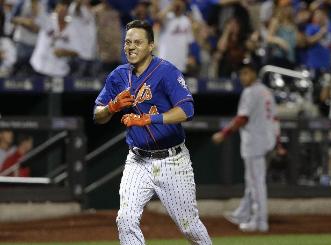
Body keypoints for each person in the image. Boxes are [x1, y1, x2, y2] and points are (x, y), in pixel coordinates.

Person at [93, 20, 212, 245]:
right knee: (126, 219)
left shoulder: (166, 71)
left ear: (151, 46)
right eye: (128, 42)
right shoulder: (118, 75)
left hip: (172, 161)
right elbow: (96, 115)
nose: (131, 47)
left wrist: (149, 119)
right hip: (137, 160)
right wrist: (111, 107)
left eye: (138, 42)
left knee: (190, 228)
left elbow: (187, 110)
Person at [211, 59, 277, 232]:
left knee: (256, 183)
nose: (242, 76)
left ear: (254, 73)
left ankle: (259, 221)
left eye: (246, 72)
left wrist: (223, 133)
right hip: (267, 141)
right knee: (253, 182)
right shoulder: (266, 91)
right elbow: (275, 119)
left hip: (255, 142)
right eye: (241, 73)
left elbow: (242, 118)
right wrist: (278, 143)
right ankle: (243, 212)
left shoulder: (250, 92)